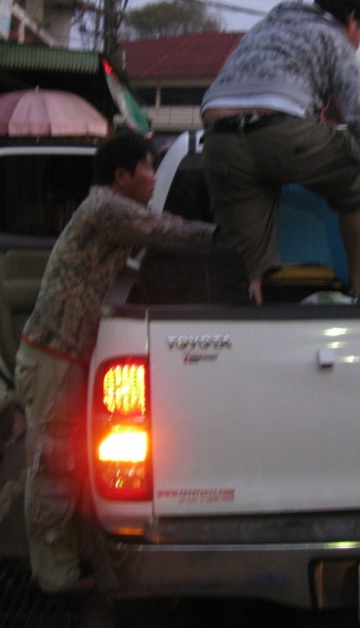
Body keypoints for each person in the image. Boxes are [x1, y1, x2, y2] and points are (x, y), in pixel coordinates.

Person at [14, 131, 217, 594]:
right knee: (53, 463)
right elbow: (174, 235)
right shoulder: (107, 208)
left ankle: (74, 554)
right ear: (122, 176)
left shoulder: (111, 211)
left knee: (69, 462)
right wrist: (238, 237)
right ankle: (56, 577)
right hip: (54, 358)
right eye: (147, 167)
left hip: (64, 356)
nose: (152, 177)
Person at [200, 0, 360, 304]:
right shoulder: (331, 38)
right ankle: (358, 283)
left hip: (218, 138)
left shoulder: (265, 29)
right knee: (355, 169)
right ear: (351, 18)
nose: (358, 41)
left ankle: (247, 306)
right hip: (281, 132)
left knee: (246, 263)